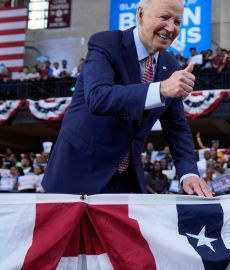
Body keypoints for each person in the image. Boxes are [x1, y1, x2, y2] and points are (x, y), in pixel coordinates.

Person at [42, 0, 212, 197]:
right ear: (140, 14)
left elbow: (177, 128)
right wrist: (160, 89)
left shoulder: (171, 65)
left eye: (178, 21)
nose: (171, 28)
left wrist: (189, 173)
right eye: (164, 17)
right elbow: (98, 98)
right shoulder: (105, 44)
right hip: (77, 173)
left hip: (125, 178)